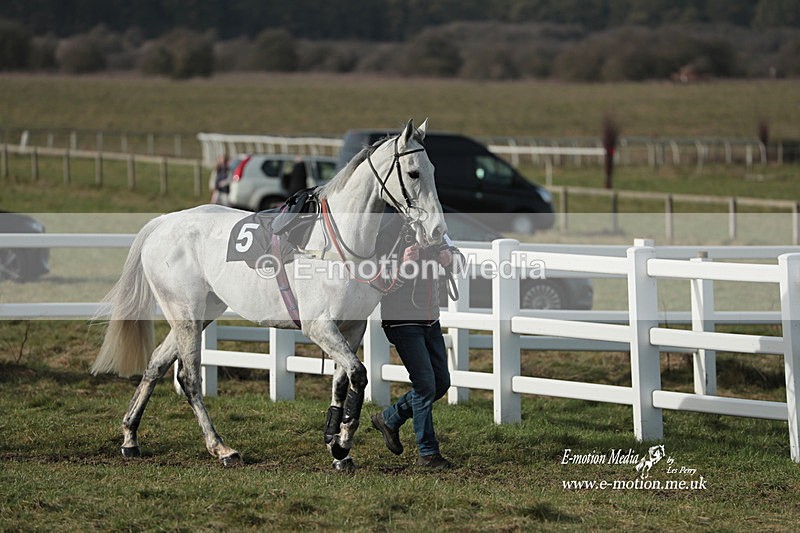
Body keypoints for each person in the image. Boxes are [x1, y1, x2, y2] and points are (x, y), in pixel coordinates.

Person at [370, 208, 462, 470]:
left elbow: (460, 261)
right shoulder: (388, 232)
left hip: (430, 319)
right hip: (401, 320)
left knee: (441, 382)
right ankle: (428, 453)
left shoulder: (435, 230)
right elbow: (378, 280)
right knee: (425, 385)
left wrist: (448, 258)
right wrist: (403, 266)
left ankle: (390, 419)